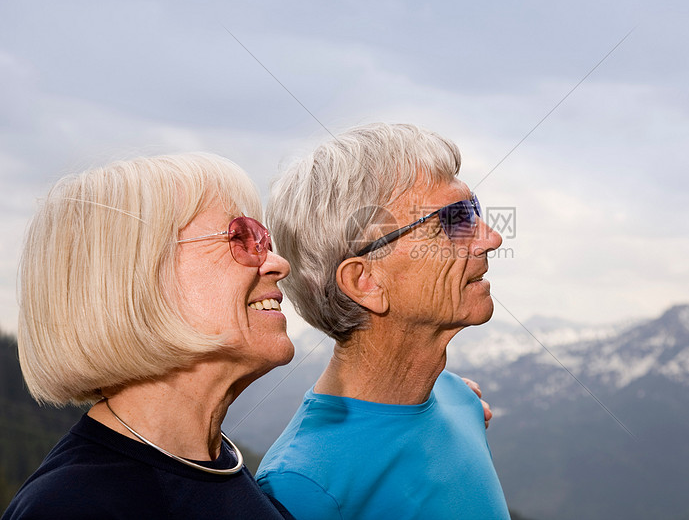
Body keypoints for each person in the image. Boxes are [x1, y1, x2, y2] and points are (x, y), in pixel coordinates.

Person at [3, 153, 296, 519]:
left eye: (264, 241)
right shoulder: (71, 507)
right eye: (241, 237)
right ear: (136, 279)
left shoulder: (218, 469)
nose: (277, 263)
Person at [257, 123, 510, 519]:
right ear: (365, 282)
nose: (490, 238)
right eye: (453, 219)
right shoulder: (302, 487)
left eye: (473, 209)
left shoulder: (459, 400)